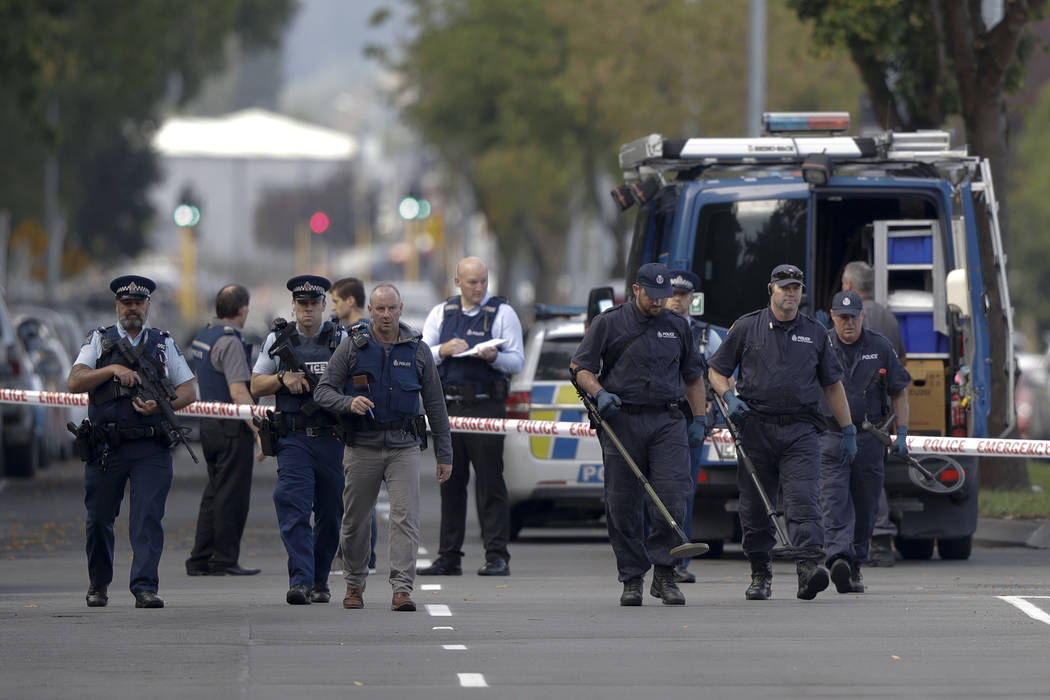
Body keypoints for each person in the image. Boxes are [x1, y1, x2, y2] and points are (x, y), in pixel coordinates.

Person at [707, 263, 855, 602]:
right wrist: (728, 397)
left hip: (801, 431)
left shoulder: (815, 332)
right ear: (770, 289)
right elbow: (716, 371)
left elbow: (832, 385)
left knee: (804, 500)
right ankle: (760, 571)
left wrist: (847, 429)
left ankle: (808, 570)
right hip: (755, 428)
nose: (790, 292)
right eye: (784, 286)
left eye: (796, 287)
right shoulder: (747, 327)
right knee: (756, 507)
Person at [570, 262, 707, 606]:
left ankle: (664, 573)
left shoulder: (677, 327)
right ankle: (632, 576)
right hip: (622, 421)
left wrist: (700, 419)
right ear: (636, 290)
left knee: (673, 496)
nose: (660, 302)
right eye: (653, 295)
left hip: (667, 421)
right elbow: (580, 367)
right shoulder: (609, 323)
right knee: (622, 504)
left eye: (665, 296)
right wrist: (599, 392)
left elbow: (693, 376)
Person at [314, 283, 453, 611]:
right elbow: (323, 391)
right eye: (379, 309)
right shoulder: (352, 346)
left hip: (403, 447)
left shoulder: (417, 349)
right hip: (362, 446)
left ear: (400, 309)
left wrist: (444, 454)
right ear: (370, 311)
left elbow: (436, 405)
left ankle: (402, 589)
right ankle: (354, 584)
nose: (386, 315)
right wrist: (349, 403)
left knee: (406, 518)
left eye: (392, 308)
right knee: (355, 521)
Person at [67, 275, 196, 609]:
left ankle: (144, 586)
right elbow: (75, 380)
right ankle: (98, 584)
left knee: (147, 518)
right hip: (107, 447)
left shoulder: (163, 342)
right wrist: (112, 372)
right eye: (127, 303)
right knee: (98, 520)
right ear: (117, 306)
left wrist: (161, 405)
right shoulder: (100, 340)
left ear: (148, 306)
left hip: (150, 447)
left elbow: (189, 390)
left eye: (139, 303)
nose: (133, 309)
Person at [417, 256, 524, 577]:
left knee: (490, 482)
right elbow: (422, 355)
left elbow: (516, 361)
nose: (479, 288)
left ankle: (497, 556)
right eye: (472, 282)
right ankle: (449, 556)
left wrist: (495, 357)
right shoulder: (441, 313)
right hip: (448, 408)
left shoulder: (502, 313)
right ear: (458, 281)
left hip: (485, 405)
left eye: (483, 281)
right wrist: (443, 350)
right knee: (450, 481)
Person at [250, 275, 347, 605]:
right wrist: (282, 378)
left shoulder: (341, 338)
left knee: (331, 514)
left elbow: (360, 381)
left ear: (324, 306)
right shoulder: (278, 339)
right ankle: (301, 581)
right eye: (301, 304)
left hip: (332, 438)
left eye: (313, 304)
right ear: (293, 307)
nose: (307, 310)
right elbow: (256, 384)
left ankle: (320, 580)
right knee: (293, 507)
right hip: (293, 439)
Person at [819, 291, 911, 594]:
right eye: (842, 317)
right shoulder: (821, 345)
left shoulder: (879, 346)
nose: (849, 323)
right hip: (831, 437)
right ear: (833, 316)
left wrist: (902, 433)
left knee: (866, 504)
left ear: (863, 316)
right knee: (832, 501)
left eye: (853, 317)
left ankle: (855, 562)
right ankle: (838, 558)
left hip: (869, 437)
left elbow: (899, 390)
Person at [185, 284, 261, 577]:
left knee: (214, 491)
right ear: (243, 310)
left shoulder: (204, 335)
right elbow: (239, 391)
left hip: (208, 422)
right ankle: (224, 558)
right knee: (233, 495)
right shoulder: (230, 342)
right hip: (230, 426)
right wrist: (257, 428)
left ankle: (200, 558)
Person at [842, 260, 906, 566]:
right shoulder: (890, 317)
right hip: (883, 414)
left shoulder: (849, 323)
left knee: (858, 479)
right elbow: (901, 365)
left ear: (851, 288)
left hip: (857, 414)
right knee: (870, 477)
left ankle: (875, 538)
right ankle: (869, 540)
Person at [665, 269, 723, 584]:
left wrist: (711, 405)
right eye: (673, 293)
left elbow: (720, 374)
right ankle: (656, 556)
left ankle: (679, 561)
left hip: (690, 423)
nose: (677, 299)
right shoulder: (652, 329)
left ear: (691, 298)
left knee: (685, 491)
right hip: (658, 419)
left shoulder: (705, 336)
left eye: (683, 294)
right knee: (656, 491)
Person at [331, 275, 378, 573]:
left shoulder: (362, 334)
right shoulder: (342, 332)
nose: (332, 308)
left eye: (335, 301)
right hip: (342, 419)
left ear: (350, 301)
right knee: (349, 494)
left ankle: (365, 557)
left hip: (358, 421)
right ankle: (351, 553)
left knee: (361, 496)